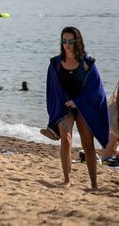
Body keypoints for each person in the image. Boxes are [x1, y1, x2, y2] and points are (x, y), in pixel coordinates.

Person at [43, 26, 109, 189]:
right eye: (64, 41)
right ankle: (67, 180)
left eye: (70, 41)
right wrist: (56, 111)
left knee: (88, 144)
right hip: (64, 107)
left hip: (83, 107)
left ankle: (94, 184)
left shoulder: (87, 63)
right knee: (66, 140)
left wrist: (77, 102)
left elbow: (97, 91)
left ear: (77, 41)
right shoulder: (55, 64)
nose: (67, 44)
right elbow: (52, 90)